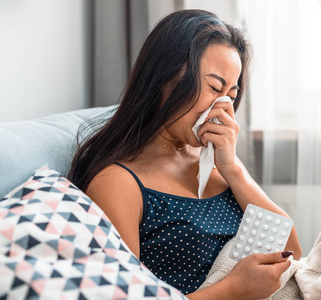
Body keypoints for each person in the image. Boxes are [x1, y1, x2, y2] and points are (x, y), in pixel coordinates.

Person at [68, 9, 302, 299]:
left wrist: (233, 168)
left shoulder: (215, 164)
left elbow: (292, 252)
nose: (223, 107)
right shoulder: (119, 183)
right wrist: (234, 289)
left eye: (231, 94)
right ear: (165, 79)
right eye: (214, 87)